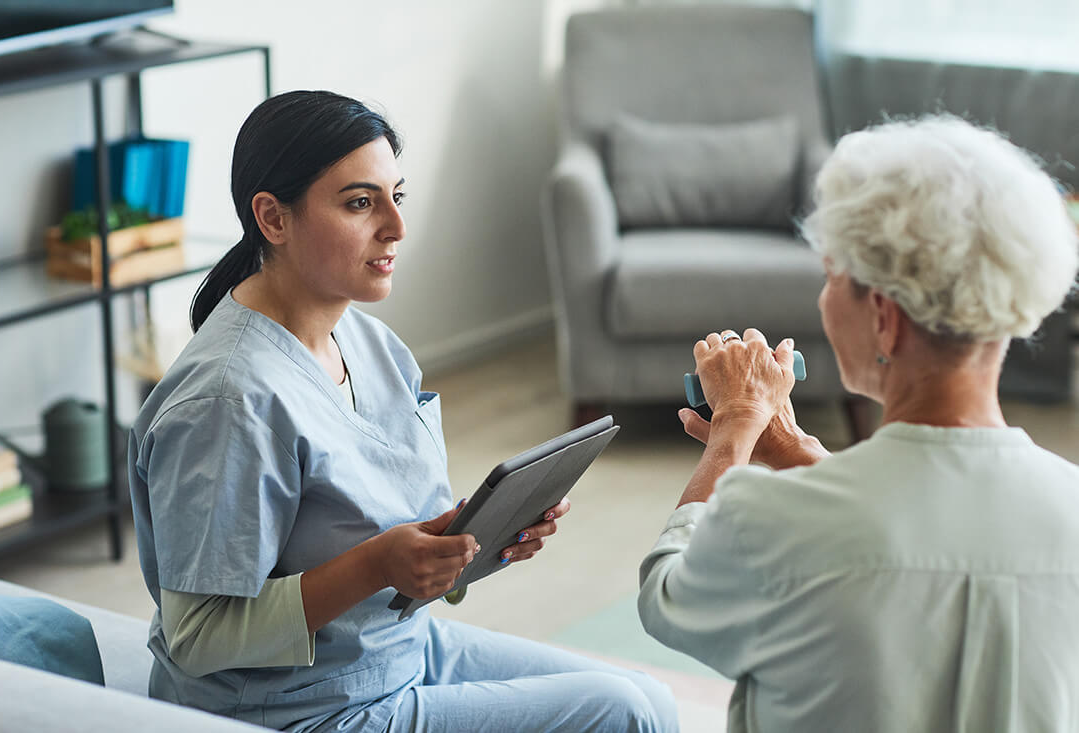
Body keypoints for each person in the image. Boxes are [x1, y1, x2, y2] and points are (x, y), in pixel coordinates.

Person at [129, 90, 678, 733]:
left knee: (649, 696)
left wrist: (472, 544)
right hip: (296, 711)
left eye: (397, 195)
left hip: (396, 657)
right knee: (626, 716)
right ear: (273, 219)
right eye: (361, 203)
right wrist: (376, 564)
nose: (396, 226)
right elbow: (198, 640)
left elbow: (384, 538)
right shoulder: (228, 401)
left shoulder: (367, 342)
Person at [638, 115, 1079, 732]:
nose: (823, 301)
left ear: (883, 318)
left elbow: (668, 598)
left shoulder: (770, 521)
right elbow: (931, 516)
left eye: (831, 277)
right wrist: (792, 447)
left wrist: (734, 428)